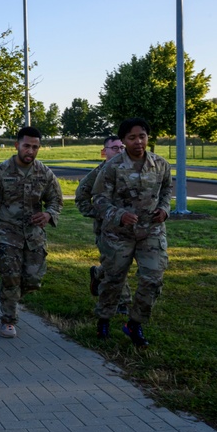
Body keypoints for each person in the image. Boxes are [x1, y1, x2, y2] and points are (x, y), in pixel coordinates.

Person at [91, 118, 172, 347]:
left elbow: (166, 190)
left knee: (153, 278)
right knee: (114, 279)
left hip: (151, 232)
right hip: (119, 234)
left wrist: (165, 210)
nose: (138, 141)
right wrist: (119, 215)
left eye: (142, 136)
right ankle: (104, 318)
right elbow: (99, 198)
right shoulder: (112, 167)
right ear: (125, 141)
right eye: (132, 137)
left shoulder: (160, 164)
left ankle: (134, 323)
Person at [0, 125, 64, 339]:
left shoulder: (44, 173)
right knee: (11, 278)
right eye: (26, 146)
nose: (30, 151)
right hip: (7, 235)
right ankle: (8, 320)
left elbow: (56, 200)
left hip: (34, 237)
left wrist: (48, 214)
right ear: (17, 145)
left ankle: (11, 297)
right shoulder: (1, 172)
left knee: (33, 280)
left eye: (35, 147)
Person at [74, 135, 131, 326]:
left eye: (122, 147)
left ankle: (98, 273)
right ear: (104, 151)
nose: (120, 151)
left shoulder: (129, 172)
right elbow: (81, 197)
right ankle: (123, 302)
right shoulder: (97, 174)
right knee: (117, 264)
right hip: (106, 229)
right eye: (114, 148)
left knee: (118, 264)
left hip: (127, 228)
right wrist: (98, 214)